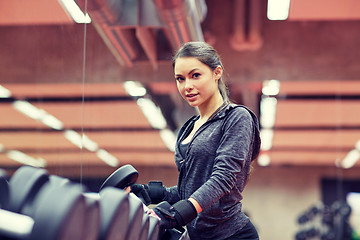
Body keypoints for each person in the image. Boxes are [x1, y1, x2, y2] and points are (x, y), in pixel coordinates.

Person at [132, 41, 261, 240]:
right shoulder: (188, 129)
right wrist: (151, 193)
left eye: (195, 75)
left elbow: (223, 178)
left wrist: (175, 214)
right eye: (180, 79)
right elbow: (189, 190)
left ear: (217, 72)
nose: (187, 86)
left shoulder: (236, 117)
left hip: (233, 235)